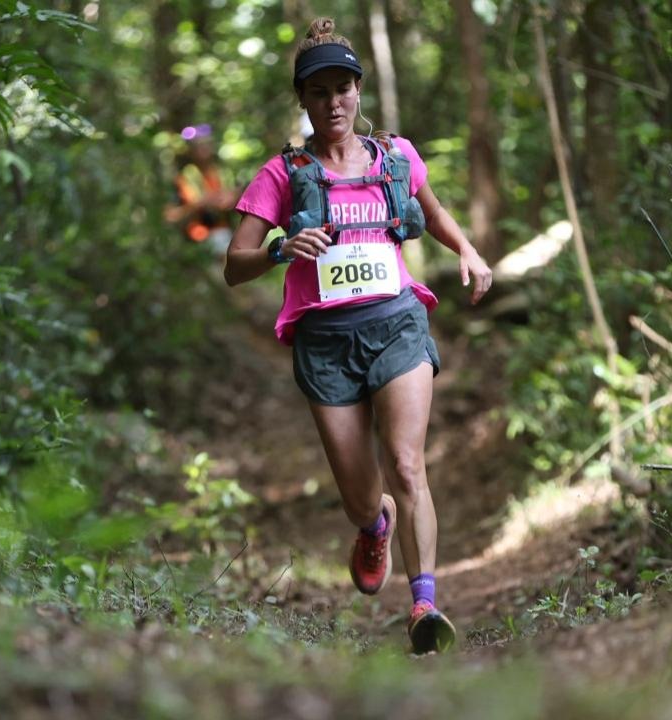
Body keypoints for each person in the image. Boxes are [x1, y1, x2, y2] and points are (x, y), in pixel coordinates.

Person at [224, 17, 493, 654]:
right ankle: (374, 527)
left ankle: (424, 605)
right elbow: (234, 266)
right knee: (360, 496)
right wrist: (280, 248)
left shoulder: (395, 157)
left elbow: (432, 212)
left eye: (343, 88)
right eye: (320, 92)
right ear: (304, 101)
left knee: (406, 463)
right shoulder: (282, 173)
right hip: (326, 344)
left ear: (358, 92)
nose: (334, 102)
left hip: (397, 321)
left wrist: (468, 251)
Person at [164, 123, 238, 254]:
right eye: (198, 146)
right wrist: (201, 203)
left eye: (206, 144)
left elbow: (233, 199)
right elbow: (170, 215)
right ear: (191, 151)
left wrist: (233, 198)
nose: (203, 149)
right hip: (198, 236)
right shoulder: (185, 178)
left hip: (226, 231)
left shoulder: (222, 173)